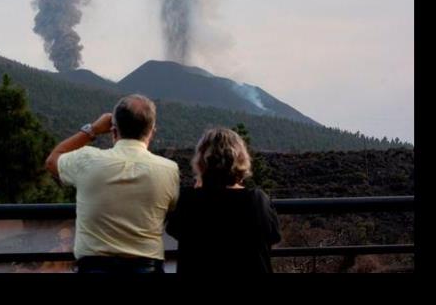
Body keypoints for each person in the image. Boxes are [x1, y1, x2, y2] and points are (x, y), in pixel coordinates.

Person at [45, 94, 180, 273]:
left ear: (113, 131)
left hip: (93, 267)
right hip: (148, 268)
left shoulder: (87, 159)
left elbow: (52, 161)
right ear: (152, 132)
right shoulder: (169, 170)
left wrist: (91, 130)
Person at [165, 127, 281, 273]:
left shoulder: (188, 200)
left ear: (202, 161)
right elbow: (274, 236)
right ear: (241, 159)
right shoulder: (258, 200)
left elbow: (174, 229)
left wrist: (199, 188)